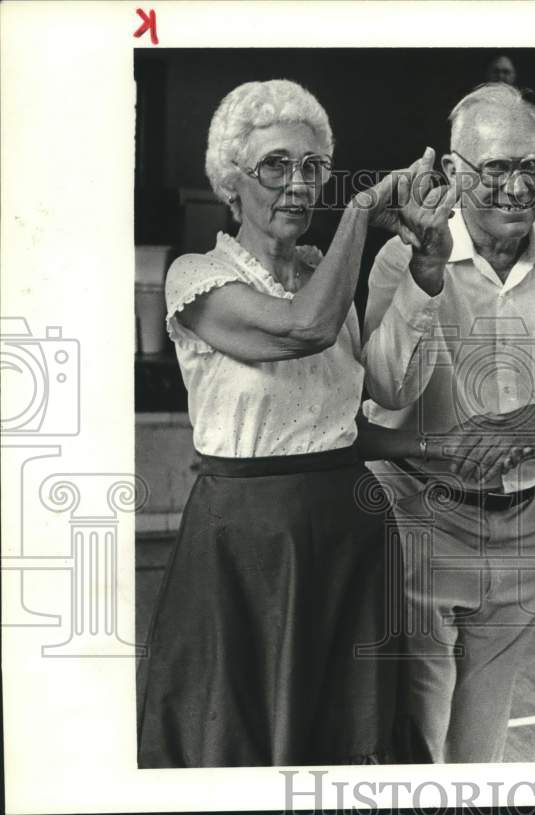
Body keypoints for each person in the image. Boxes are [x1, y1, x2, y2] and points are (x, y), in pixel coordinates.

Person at [137, 79, 454, 767]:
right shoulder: (197, 277)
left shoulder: (322, 272)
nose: (298, 184)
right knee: (244, 736)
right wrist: (365, 209)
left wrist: (426, 273)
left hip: (351, 533)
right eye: (275, 165)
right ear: (231, 182)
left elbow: (354, 410)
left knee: (347, 738)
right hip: (249, 547)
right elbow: (301, 329)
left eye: (313, 167)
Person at [361, 82, 535, 763]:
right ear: (455, 172)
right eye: (496, 169)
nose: (517, 187)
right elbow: (381, 386)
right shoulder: (404, 255)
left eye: (532, 167)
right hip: (420, 517)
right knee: (420, 725)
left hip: (531, 526)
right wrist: (426, 278)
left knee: (482, 735)